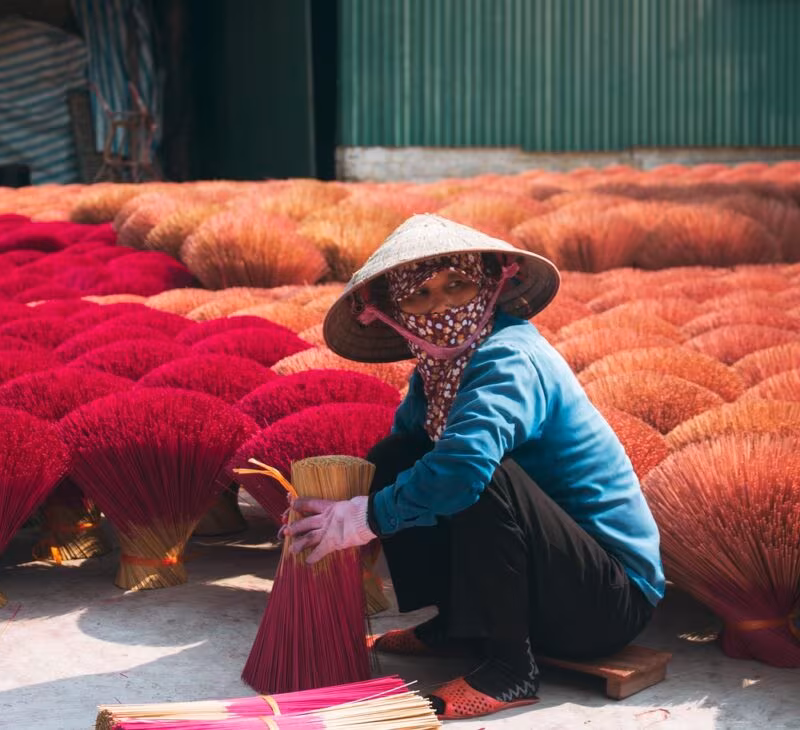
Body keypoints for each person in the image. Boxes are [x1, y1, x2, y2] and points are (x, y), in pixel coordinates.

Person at [285, 213, 665, 721]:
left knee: (477, 472)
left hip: (605, 602)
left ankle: (510, 671)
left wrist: (364, 519)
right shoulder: (438, 370)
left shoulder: (509, 356)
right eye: (419, 296)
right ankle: (456, 626)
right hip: (547, 586)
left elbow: (463, 470)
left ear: (492, 282)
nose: (441, 305)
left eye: (458, 285)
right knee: (396, 458)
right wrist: (340, 512)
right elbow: (410, 459)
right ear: (393, 313)